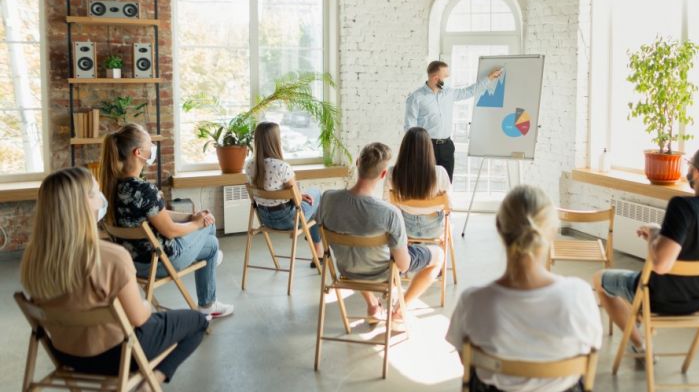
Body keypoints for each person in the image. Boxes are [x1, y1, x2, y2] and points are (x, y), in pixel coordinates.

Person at [20, 167, 208, 392]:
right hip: (116, 356)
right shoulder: (110, 257)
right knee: (197, 322)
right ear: (83, 204)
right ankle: (143, 391)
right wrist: (145, 303)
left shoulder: (34, 259)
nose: (102, 199)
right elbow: (139, 319)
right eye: (97, 193)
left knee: (110, 327)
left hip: (67, 355)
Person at [446, 185, 602, 392]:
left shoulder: (473, 301)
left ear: (499, 226)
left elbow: (467, 361)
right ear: (552, 230)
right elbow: (590, 349)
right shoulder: (579, 294)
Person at [593, 141, 699, 361]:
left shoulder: (684, 207)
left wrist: (655, 235)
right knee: (632, 288)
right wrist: (661, 234)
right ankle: (635, 319)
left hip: (658, 299)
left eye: (689, 164)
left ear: (697, 171)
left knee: (600, 279)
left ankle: (640, 345)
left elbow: (661, 265)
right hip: (697, 302)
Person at [100, 124, 233, 318]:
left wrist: (190, 217)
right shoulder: (145, 190)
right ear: (139, 152)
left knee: (207, 234)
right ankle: (207, 302)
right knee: (211, 235)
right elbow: (170, 231)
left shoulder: (113, 186)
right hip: (160, 261)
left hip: (132, 262)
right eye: (149, 144)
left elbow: (158, 214)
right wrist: (198, 222)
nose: (152, 147)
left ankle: (210, 262)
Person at [316, 142, 444, 320]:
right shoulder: (389, 213)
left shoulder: (327, 199)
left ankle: (373, 306)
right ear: (383, 174)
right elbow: (403, 265)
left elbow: (319, 232)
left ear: (357, 162)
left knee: (358, 256)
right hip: (382, 274)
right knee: (439, 255)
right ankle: (399, 311)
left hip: (346, 270)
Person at [404, 60, 503, 181]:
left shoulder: (448, 93)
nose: (447, 80)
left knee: (446, 182)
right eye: (445, 77)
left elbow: (468, 91)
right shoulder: (416, 98)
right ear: (435, 78)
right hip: (426, 146)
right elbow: (410, 126)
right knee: (426, 182)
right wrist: (415, 149)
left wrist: (489, 78)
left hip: (446, 146)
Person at [245, 121, 323, 268]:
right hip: (289, 221)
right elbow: (296, 199)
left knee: (311, 203)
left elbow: (291, 195)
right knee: (317, 196)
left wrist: (300, 196)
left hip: (265, 220)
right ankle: (318, 253)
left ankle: (317, 253)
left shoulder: (249, 165)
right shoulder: (282, 167)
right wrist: (300, 196)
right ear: (275, 140)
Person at [383, 126, 451, 239]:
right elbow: (449, 207)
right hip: (434, 229)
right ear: (429, 149)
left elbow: (387, 203)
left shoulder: (392, 172)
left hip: (405, 228)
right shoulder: (440, 172)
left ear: (404, 149)